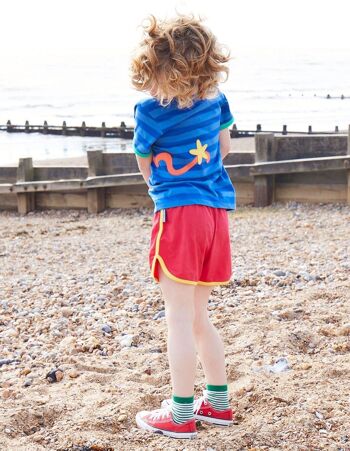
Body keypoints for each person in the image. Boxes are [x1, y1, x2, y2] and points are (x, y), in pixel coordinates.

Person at [130, 14, 236, 439]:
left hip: (179, 214)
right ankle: (219, 403)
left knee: (176, 317)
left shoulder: (149, 110)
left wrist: (161, 186)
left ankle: (179, 414)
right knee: (198, 316)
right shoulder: (216, 100)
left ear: (157, 68)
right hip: (214, 215)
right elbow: (224, 148)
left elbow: (144, 162)